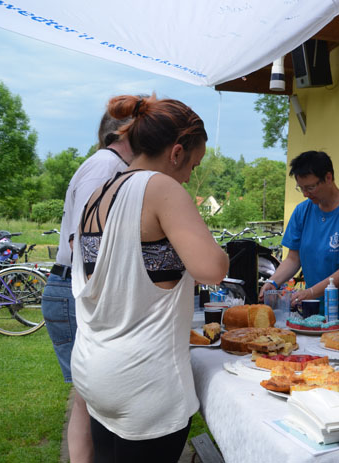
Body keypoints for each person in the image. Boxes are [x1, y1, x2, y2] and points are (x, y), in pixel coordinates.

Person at [71, 94, 229, 462]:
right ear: (176, 153)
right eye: (193, 164)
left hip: (96, 368)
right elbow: (213, 269)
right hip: (143, 383)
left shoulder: (99, 193)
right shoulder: (160, 187)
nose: (190, 176)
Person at [40, 109, 135, 463]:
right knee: (88, 399)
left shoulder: (113, 166)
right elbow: (84, 243)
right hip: (74, 291)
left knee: (88, 399)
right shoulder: (105, 166)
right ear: (126, 131)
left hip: (76, 290)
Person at [258, 150, 339, 328]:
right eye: (301, 188)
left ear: (328, 178)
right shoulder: (302, 211)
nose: (305, 194)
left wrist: (311, 292)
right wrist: (273, 282)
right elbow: (293, 258)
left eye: (310, 187)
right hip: (316, 309)